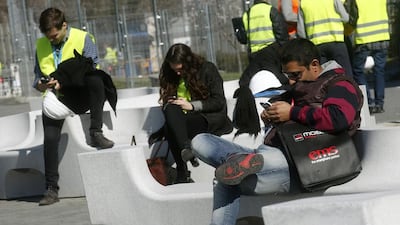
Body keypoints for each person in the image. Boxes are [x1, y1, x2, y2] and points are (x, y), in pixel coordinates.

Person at [191, 38, 363, 225]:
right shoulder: (296, 88)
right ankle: (237, 160)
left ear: (314, 65)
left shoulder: (340, 84)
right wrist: (273, 115)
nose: (290, 80)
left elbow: (338, 118)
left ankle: (240, 162)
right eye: (287, 74)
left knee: (224, 179)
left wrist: (291, 112)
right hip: (276, 153)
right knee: (200, 141)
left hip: (307, 163)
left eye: (295, 74)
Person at [33, 7, 115, 206]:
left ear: (64, 26)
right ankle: (51, 188)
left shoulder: (84, 38)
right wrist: (41, 84)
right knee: (50, 140)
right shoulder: (41, 45)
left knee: (96, 79)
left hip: (80, 92)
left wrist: (65, 81)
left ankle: (96, 131)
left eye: (54, 36)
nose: (51, 40)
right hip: (56, 97)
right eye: (48, 37)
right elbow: (35, 79)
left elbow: (91, 68)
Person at [157, 43, 233, 183]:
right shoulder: (170, 74)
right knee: (169, 108)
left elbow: (219, 102)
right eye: (174, 70)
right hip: (182, 119)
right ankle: (186, 149)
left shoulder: (207, 69)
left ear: (188, 63)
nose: (177, 73)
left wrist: (192, 106)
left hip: (207, 116)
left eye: (180, 70)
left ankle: (182, 170)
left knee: (170, 129)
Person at [348, 0, 390, 114]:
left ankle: (368, 103)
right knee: (379, 71)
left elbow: (352, 18)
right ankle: (379, 103)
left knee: (358, 71)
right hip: (382, 36)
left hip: (364, 39)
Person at [297, 0, 354, 77]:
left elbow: (301, 33)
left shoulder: (304, 3)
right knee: (345, 75)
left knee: (323, 77)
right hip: (336, 41)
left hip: (317, 45)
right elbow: (346, 18)